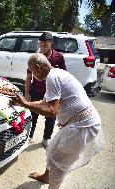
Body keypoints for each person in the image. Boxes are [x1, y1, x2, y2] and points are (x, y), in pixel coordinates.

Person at [11, 53, 104, 189]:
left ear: (38, 68)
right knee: (52, 149)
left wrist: (26, 105)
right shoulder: (56, 73)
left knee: (58, 163)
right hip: (76, 124)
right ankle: (46, 177)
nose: (34, 77)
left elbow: (51, 111)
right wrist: (24, 103)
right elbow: (44, 102)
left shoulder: (52, 78)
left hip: (82, 126)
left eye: (32, 72)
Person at [25, 32, 66, 147]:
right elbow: (29, 76)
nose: (42, 47)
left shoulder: (59, 57)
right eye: (41, 45)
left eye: (45, 45)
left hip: (51, 92)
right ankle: (30, 136)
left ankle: (46, 138)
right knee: (33, 114)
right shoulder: (35, 58)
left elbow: (62, 75)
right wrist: (27, 92)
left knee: (50, 116)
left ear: (51, 44)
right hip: (36, 91)